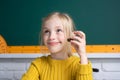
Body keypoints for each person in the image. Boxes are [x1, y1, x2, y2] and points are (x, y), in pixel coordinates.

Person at [21, 12, 93, 80]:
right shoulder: (38, 64)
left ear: (70, 35)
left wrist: (83, 55)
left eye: (58, 30)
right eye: (47, 31)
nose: (51, 37)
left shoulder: (79, 64)